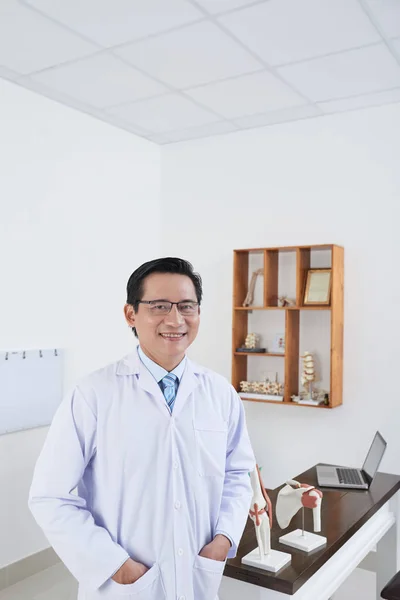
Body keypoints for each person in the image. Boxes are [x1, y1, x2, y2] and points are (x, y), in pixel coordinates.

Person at [28, 257, 256, 600]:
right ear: (131, 314)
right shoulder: (93, 395)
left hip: (197, 576)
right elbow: (50, 497)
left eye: (187, 306)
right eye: (160, 306)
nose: (175, 319)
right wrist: (115, 565)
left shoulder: (220, 393)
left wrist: (222, 540)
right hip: (125, 585)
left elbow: (238, 473)